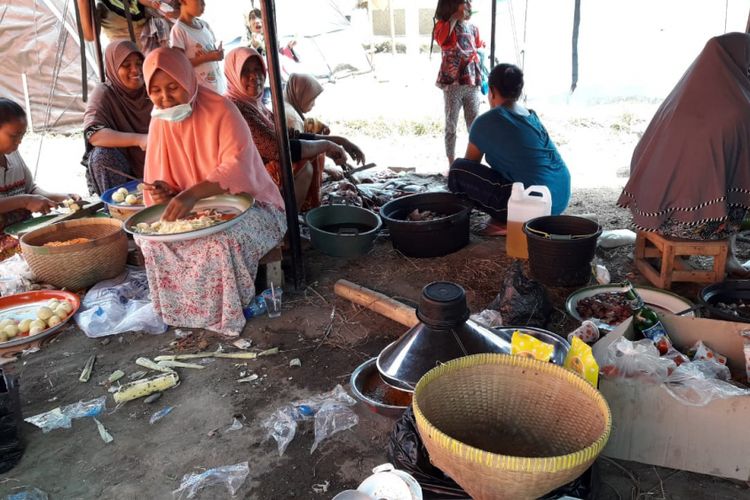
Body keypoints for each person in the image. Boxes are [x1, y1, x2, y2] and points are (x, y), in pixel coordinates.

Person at [138, 48, 285, 336]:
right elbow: (161, 178)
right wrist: (165, 193)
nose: (165, 98)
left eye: (172, 87)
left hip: (253, 205)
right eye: (155, 90)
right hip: (194, 211)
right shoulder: (160, 121)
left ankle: (223, 312)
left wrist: (192, 195)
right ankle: (181, 313)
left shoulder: (221, 109)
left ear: (188, 80)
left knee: (220, 242)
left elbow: (237, 167)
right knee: (152, 242)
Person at [617, 33, 750, 275]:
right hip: (699, 228)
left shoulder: (679, 99)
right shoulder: (739, 106)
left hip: (649, 216)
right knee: (737, 186)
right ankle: (729, 256)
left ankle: (664, 248)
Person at [225, 48, 365, 210]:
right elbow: (277, 149)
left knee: (311, 152)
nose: (254, 76)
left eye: (257, 69)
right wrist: (326, 146)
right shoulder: (235, 107)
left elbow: (290, 137)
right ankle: (285, 222)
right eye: (246, 71)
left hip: (257, 171)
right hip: (243, 180)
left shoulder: (256, 105)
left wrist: (338, 141)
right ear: (233, 74)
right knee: (303, 165)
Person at [448, 63, 571, 236]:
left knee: (458, 170)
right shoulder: (530, 115)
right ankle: (514, 219)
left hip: (534, 205)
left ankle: (514, 222)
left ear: (491, 91)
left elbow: (470, 167)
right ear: (518, 91)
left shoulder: (486, 121)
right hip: (559, 197)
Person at [0, 99, 79, 260]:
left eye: (22, 134)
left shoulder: (13, 154)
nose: (19, 141)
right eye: (14, 135)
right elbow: (27, 197)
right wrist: (25, 201)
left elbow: (30, 189)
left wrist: (59, 197)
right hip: (4, 242)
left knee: (69, 235)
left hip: (23, 232)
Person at [83, 40, 152, 195]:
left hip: (160, 163)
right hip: (124, 176)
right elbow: (94, 135)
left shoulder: (154, 86)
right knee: (102, 156)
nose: (135, 70)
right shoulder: (104, 93)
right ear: (113, 67)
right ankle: (115, 210)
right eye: (126, 65)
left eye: (139, 63)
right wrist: (140, 139)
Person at [432, 0, 484, 167]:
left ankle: (473, 164)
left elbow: (478, 45)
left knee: (475, 126)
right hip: (453, 85)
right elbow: (441, 40)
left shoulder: (473, 28)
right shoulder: (443, 26)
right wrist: (453, 18)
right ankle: (451, 163)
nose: (469, 5)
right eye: (464, 2)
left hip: (471, 83)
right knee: (451, 125)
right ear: (452, 5)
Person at [169, 0, 225, 93]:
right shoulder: (178, 30)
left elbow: (211, 51)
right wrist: (205, 58)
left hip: (218, 87)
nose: (204, 4)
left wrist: (216, 54)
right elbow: (180, 66)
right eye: (200, 0)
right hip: (201, 93)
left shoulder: (205, 25)